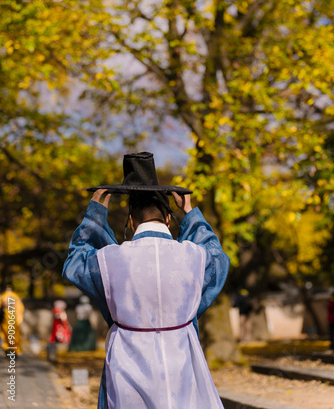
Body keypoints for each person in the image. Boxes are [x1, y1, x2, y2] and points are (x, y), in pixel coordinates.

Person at [63, 151, 230, 408]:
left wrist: (95, 216)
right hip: (183, 362)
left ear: (130, 221)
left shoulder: (110, 259)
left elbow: (75, 263)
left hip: (127, 367)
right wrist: (191, 214)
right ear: (167, 219)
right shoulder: (193, 256)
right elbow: (218, 260)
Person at [0, 282, 24, 356]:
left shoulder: (3, 296)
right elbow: (21, 308)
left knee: (6, 334)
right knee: (15, 335)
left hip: (5, 319)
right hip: (14, 319)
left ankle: (7, 348)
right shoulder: (16, 296)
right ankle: (16, 350)